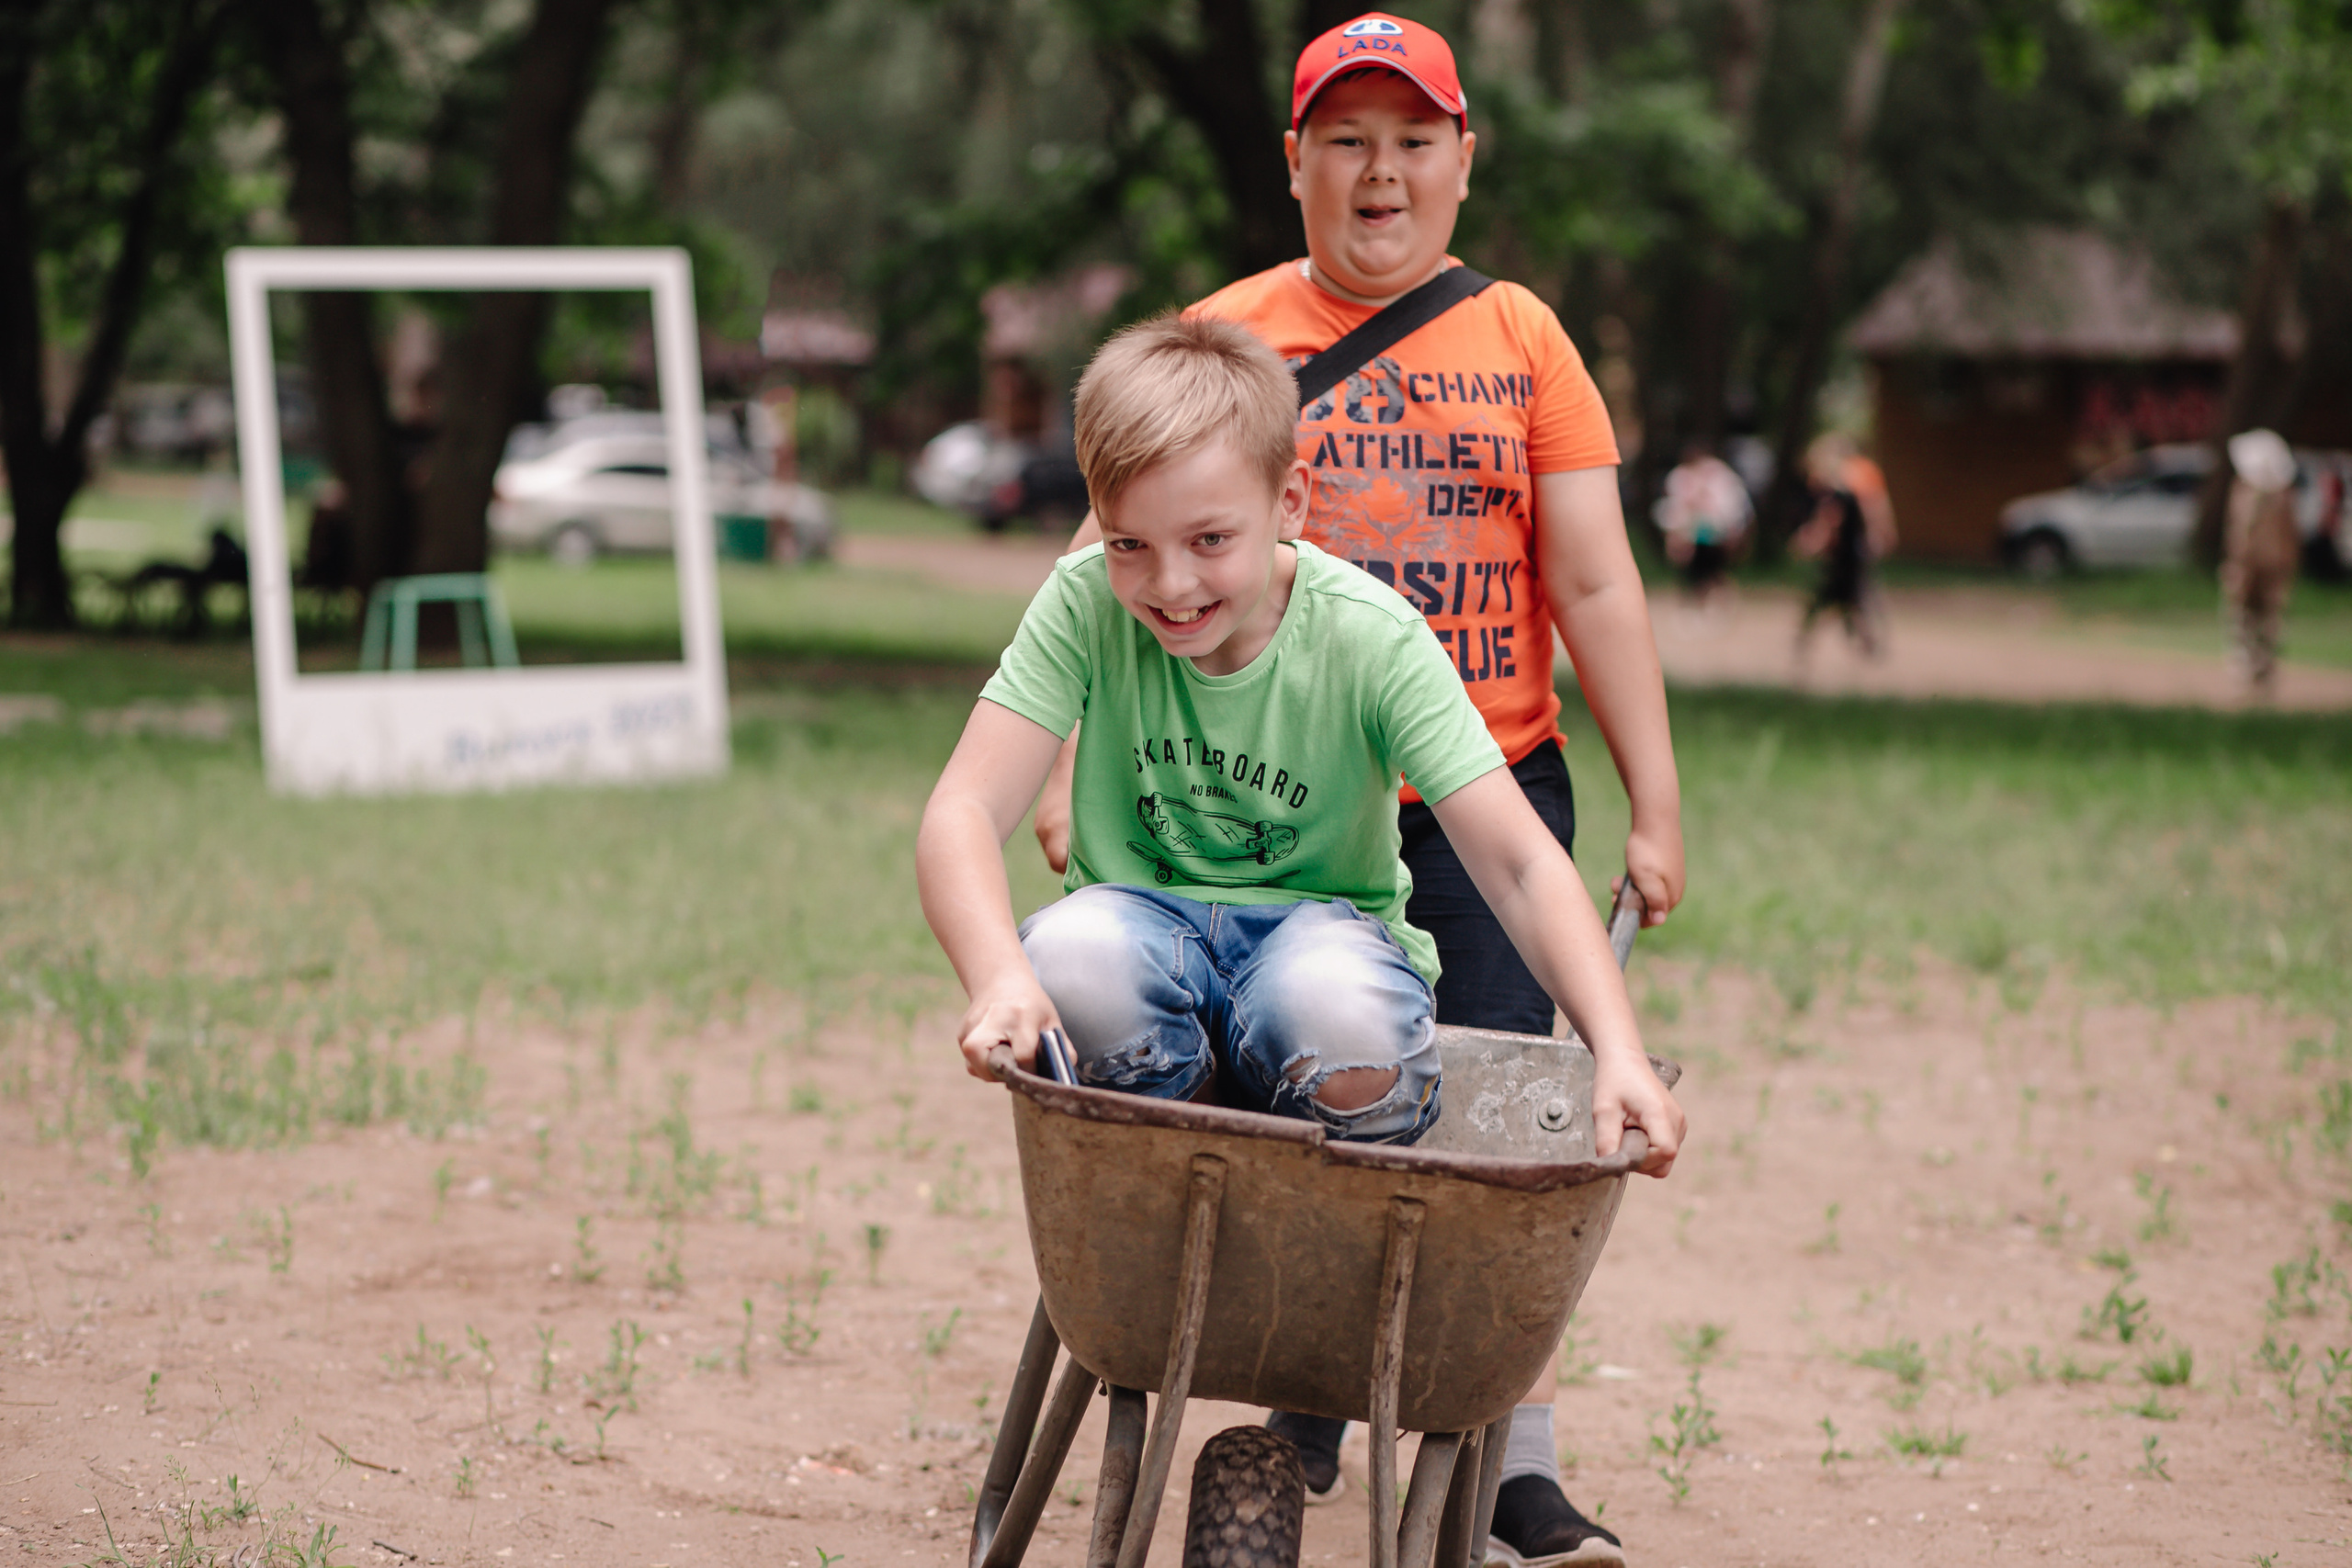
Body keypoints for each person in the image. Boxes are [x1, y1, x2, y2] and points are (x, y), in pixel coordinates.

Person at [1028, 18, 1682, 1565]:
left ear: (1463, 161)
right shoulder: (1227, 333)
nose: (1379, 170)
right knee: (1289, 1081)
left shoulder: (1523, 337)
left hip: (1482, 788)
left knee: (1481, 1150)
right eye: (1346, 140)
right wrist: (1060, 764)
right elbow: (1105, 558)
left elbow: (1595, 580)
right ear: (1296, 162)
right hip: (1256, 794)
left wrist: (1653, 798)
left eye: (1412, 139)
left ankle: (1509, 1454)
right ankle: (1308, 1373)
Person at [918, 316, 1684, 1505]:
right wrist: (997, 979)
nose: (1170, 585)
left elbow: (1520, 866)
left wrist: (1615, 1048)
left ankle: (1278, 1153)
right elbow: (962, 809)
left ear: (1291, 502)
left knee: (1329, 998)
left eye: (1209, 540)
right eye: (1130, 545)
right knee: (1068, 951)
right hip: (1148, 938)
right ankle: (1177, 1117)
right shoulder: (1083, 605)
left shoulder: (1367, 636)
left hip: (1319, 943)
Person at [1791, 434, 1896, 663]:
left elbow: (1832, 521)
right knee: (1850, 600)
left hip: (1848, 556)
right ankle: (1867, 644)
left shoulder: (1847, 485)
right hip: (1846, 555)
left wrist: (1811, 542)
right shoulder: (1841, 488)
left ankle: (1807, 642)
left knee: (1842, 599)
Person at [2222, 427, 2301, 690]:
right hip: (2253, 564)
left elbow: (2286, 534)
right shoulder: (2246, 490)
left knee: (2266, 619)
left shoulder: (2278, 496)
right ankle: (2248, 668)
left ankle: (2262, 670)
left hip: (2267, 565)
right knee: (2245, 617)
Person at [1657, 441, 1752, 606]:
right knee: (1700, 569)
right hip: (1698, 531)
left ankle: (1711, 593)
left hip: (1713, 532)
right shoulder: (1682, 477)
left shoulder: (1719, 477)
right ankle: (1703, 594)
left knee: (1709, 568)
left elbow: (1731, 508)